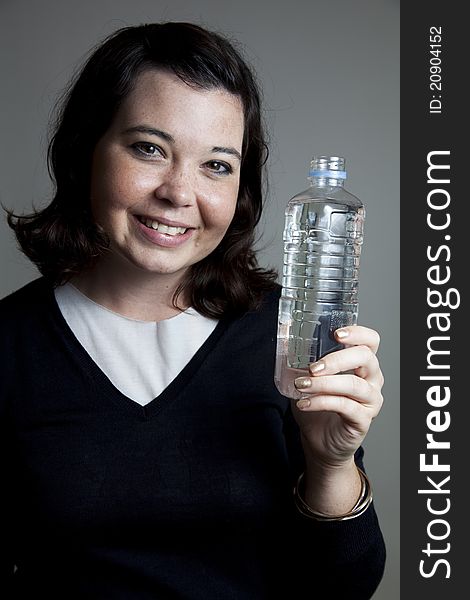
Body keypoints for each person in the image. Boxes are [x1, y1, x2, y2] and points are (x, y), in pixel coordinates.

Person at [1, 22, 386, 599]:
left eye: (216, 165)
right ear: (87, 150)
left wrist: (331, 465)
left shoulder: (287, 335)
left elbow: (342, 587)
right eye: (149, 149)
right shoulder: (9, 345)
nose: (180, 193)